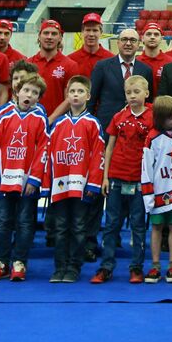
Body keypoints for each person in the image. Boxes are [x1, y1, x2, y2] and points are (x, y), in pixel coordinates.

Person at [0, 73, 49, 282]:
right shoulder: (3, 114)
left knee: (25, 222)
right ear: (17, 92)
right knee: (3, 221)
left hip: (27, 182)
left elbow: (43, 150)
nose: (29, 95)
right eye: (26, 90)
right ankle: (1, 261)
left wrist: (34, 179)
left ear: (39, 98)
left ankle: (19, 262)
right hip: (4, 179)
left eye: (35, 93)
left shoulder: (40, 117)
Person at [47, 75, 106, 284]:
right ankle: (59, 266)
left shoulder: (92, 123)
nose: (75, 95)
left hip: (82, 186)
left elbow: (98, 156)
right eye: (72, 92)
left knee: (79, 226)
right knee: (61, 226)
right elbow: (50, 155)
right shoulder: (58, 124)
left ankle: (74, 267)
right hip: (61, 185)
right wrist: (48, 183)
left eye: (80, 91)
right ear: (66, 95)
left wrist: (93, 184)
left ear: (88, 96)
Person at [98, 74, 152, 284]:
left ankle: (136, 267)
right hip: (116, 178)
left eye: (136, 92)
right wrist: (105, 177)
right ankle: (106, 266)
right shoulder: (118, 117)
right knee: (111, 224)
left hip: (139, 180)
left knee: (138, 226)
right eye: (128, 93)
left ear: (146, 94)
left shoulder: (152, 118)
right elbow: (109, 147)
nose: (132, 96)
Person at [141, 95, 172, 283]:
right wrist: (148, 194)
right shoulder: (152, 138)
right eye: (170, 117)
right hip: (159, 191)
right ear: (160, 118)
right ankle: (155, 265)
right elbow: (146, 168)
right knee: (156, 227)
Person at [90, 28, 154, 135]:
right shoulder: (102, 66)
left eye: (133, 40)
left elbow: (148, 101)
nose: (128, 43)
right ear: (118, 42)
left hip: (137, 129)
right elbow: (91, 100)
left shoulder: (146, 70)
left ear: (138, 44)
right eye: (124, 39)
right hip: (106, 125)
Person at [28, 19, 79, 117]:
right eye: (46, 33)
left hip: (57, 123)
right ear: (39, 36)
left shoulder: (70, 65)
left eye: (54, 34)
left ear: (60, 38)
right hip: (31, 121)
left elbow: (69, 99)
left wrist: (50, 120)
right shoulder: (29, 63)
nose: (49, 37)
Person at [67, 12, 113, 77]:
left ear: (101, 33)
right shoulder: (71, 59)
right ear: (82, 32)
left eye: (95, 30)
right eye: (88, 30)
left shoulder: (111, 59)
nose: (91, 34)